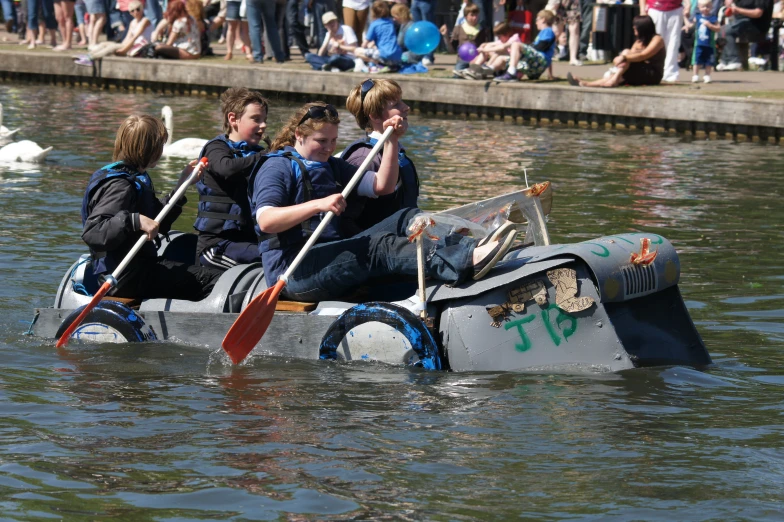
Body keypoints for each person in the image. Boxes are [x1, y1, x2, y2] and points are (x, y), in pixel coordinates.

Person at [248, 102, 517, 302]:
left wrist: (392, 142)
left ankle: (471, 246)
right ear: (299, 135)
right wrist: (318, 205)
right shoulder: (277, 168)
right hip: (293, 272)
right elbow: (267, 221)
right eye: (321, 141)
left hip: (329, 255)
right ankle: (464, 260)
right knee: (378, 247)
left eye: (333, 140)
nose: (329, 147)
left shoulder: (331, 165)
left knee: (404, 216)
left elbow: (382, 186)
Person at [81, 114, 222, 301]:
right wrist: (134, 220)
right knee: (215, 281)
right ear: (148, 150)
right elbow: (93, 231)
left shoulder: (132, 177)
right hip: (125, 277)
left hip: (139, 268)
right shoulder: (120, 186)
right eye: (159, 147)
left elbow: (157, 221)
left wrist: (182, 185)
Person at [194, 88, 270, 271]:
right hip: (216, 247)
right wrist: (266, 156)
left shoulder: (260, 153)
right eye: (256, 119)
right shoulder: (216, 148)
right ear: (233, 119)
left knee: (282, 252)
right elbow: (226, 169)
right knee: (270, 259)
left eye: (264, 119)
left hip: (249, 241)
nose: (264, 125)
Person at [342, 78, 419, 233]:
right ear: (375, 117)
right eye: (396, 104)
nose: (406, 108)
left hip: (403, 237)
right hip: (377, 246)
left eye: (401, 101)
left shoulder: (397, 151)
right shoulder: (364, 158)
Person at [567, 15, 665, 87]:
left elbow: (643, 55)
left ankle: (607, 81)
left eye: (636, 27)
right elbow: (629, 58)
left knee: (626, 56)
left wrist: (624, 57)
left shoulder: (657, 40)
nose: (633, 28)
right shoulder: (638, 42)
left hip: (653, 74)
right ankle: (586, 84)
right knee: (624, 60)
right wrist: (621, 59)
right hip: (639, 70)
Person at [73, 0, 151, 65]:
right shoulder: (132, 22)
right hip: (131, 44)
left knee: (111, 48)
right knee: (103, 44)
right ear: (130, 12)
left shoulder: (145, 20)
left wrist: (124, 49)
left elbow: (135, 37)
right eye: (132, 11)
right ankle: (88, 55)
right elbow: (128, 37)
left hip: (140, 46)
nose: (135, 12)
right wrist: (121, 45)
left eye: (138, 9)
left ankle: (91, 59)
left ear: (142, 9)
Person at [495, 9, 556, 81]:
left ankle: (511, 73)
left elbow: (541, 47)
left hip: (540, 62)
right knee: (502, 58)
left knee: (516, 44)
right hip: (536, 64)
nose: (536, 22)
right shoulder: (542, 33)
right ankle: (489, 69)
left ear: (543, 20)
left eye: (537, 20)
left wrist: (523, 49)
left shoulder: (547, 31)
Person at [716, 0, 774, 70]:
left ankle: (734, 61)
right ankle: (725, 61)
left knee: (727, 30)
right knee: (722, 30)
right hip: (741, 21)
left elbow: (758, 13)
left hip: (757, 25)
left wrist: (738, 10)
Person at [640, 0, 690, 82]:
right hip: (655, 8)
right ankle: (653, 71)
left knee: (674, 43)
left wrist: (688, 5)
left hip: (675, 9)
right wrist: (642, 10)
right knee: (655, 42)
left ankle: (670, 73)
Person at [440, 3, 490, 74]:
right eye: (472, 15)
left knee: (479, 74)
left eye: (476, 15)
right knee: (457, 74)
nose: (475, 17)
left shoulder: (483, 29)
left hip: (477, 59)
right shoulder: (459, 28)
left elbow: (486, 46)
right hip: (463, 59)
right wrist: (445, 36)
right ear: (466, 16)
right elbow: (452, 50)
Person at [356, 0, 402, 71]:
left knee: (357, 51)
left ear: (373, 12)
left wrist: (363, 47)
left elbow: (365, 44)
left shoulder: (374, 24)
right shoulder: (391, 22)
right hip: (397, 56)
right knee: (375, 49)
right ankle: (391, 67)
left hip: (385, 56)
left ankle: (379, 65)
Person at [686, 0, 720, 82]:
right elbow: (690, 25)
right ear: (699, 7)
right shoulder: (697, 17)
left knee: (709, 61)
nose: (705, 8)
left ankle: (707, 75)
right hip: (699, 44)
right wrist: (685, 18)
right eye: (703, 7)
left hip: (709, 44)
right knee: (697, 60)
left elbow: (718, 28)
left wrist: (710, 25)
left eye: (708, 6)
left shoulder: (713, 18)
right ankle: (695, 75)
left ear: (711, 7)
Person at [410, 0, 436, 64]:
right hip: (415, 2)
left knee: (427, 29)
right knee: (418, 29)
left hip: (426, 2)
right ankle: (419, 55)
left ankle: (428, 56)